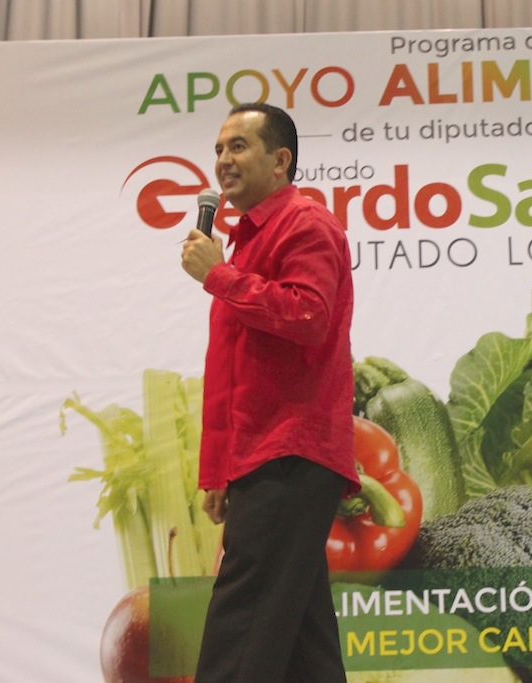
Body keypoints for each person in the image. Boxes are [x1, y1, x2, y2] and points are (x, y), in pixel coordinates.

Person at [181, 102, 360, 682]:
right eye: (218, 149)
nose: (223, 160)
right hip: (263, 455)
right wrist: (217, 469)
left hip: (291, 452)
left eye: (238, 146)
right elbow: (230, 371)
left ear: (280, 160)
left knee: (240, 628)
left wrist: (220, 277)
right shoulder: (242, 247)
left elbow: (309, 315)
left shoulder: (306, 224)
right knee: (307, 648)